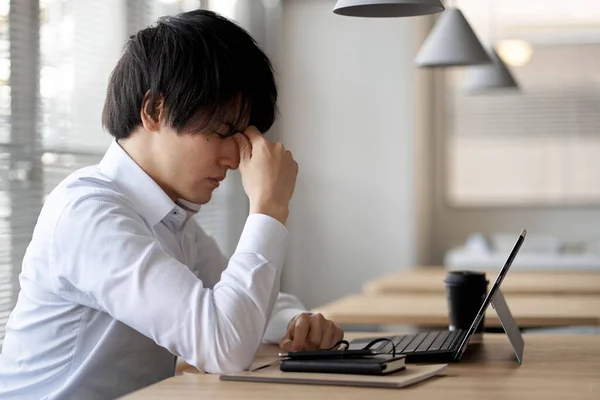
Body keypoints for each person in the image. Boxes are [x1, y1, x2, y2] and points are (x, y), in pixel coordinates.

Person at [0, 9, 343, 399]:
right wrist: (268, 207)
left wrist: (293, 323)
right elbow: (223, 346)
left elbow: (238, 303)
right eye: (224, 131)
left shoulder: (170, 218)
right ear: (154, 110)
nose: (234, 159)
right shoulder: (91, 213)